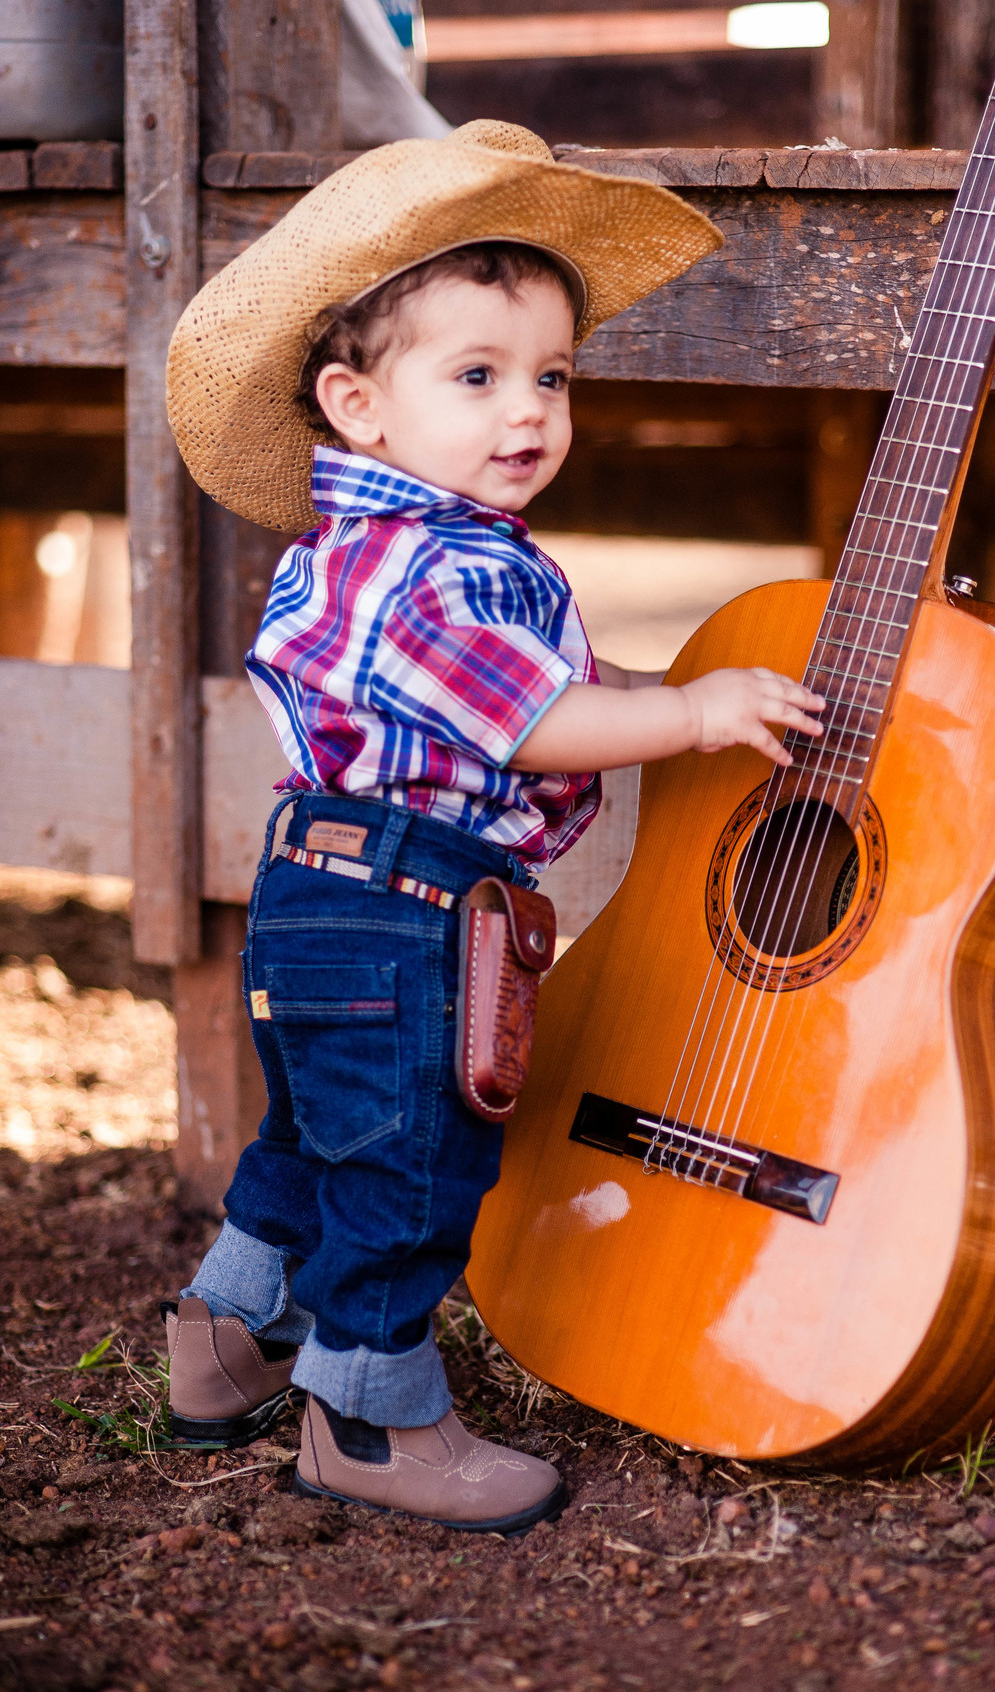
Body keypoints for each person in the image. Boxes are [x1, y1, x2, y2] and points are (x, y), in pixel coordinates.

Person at [162, 120, 824, 1535]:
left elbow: (545, 697)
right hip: (408, 911)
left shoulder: (364, 548)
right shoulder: (439, 569)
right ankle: (369, 1420)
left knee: (318, 1137)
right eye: (477, 377)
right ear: (357, 403)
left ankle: (222, 1346)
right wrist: (694, 717)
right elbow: (530, 725)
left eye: (553, 376)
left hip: (317, 887)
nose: (529, 412)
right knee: (411, 1166)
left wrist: (655, 698)